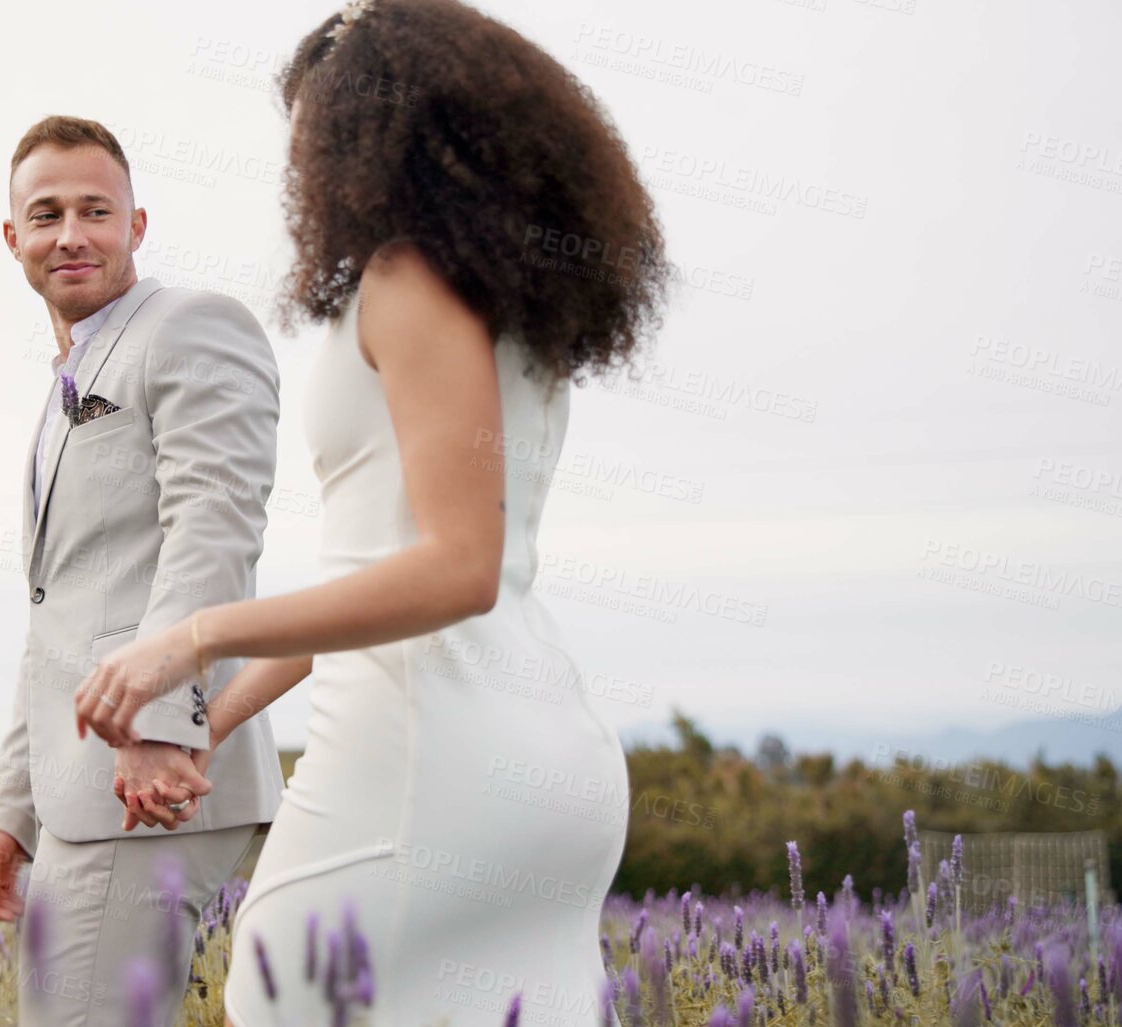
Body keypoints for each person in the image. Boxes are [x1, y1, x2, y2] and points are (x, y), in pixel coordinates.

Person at [70, 1, 671, 1023]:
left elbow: (456, 568)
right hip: (540, 753)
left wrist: (190, 636)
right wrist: (213, 719)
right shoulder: (513, 309)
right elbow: (388, 581)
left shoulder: (408, 279)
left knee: (282, 992)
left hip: (427, 756)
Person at [0, 115, 288, 1027]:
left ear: (136, 225)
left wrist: (155, 722)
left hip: (146, 777)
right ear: (12, 238)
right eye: (46, 213)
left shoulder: (190, 327)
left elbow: (213, 526)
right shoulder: (63, 388)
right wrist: (8, 810)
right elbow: (60, 616)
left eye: (94, 210)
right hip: (85, 784)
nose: (70, 234)